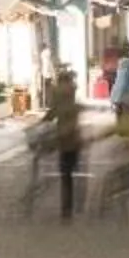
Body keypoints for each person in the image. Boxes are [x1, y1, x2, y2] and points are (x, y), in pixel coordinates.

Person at [47, 66, 85, 221]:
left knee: (66, 175)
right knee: (71, 173)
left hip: (64, 139)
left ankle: (67, 209)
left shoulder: (60, 101)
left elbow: (52, 113)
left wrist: (40, 124)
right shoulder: (73, 102)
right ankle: (72, 205)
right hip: (73, 139)